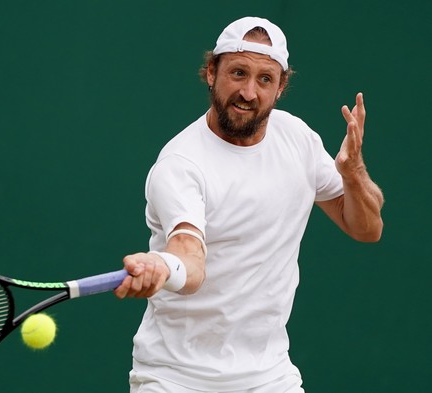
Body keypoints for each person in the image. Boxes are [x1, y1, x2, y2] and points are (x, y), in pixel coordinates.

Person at [114, 16, 384, 393]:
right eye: (238, 73)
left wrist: (353, 173)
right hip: (176, 379)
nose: (249, 93)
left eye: (264, 79)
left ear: (280, 86)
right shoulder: (181, 164)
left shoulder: (298, 139)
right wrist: (163, 265)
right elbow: (190, 259)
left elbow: (367, 228)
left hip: (269, 377)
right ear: (211, 72)